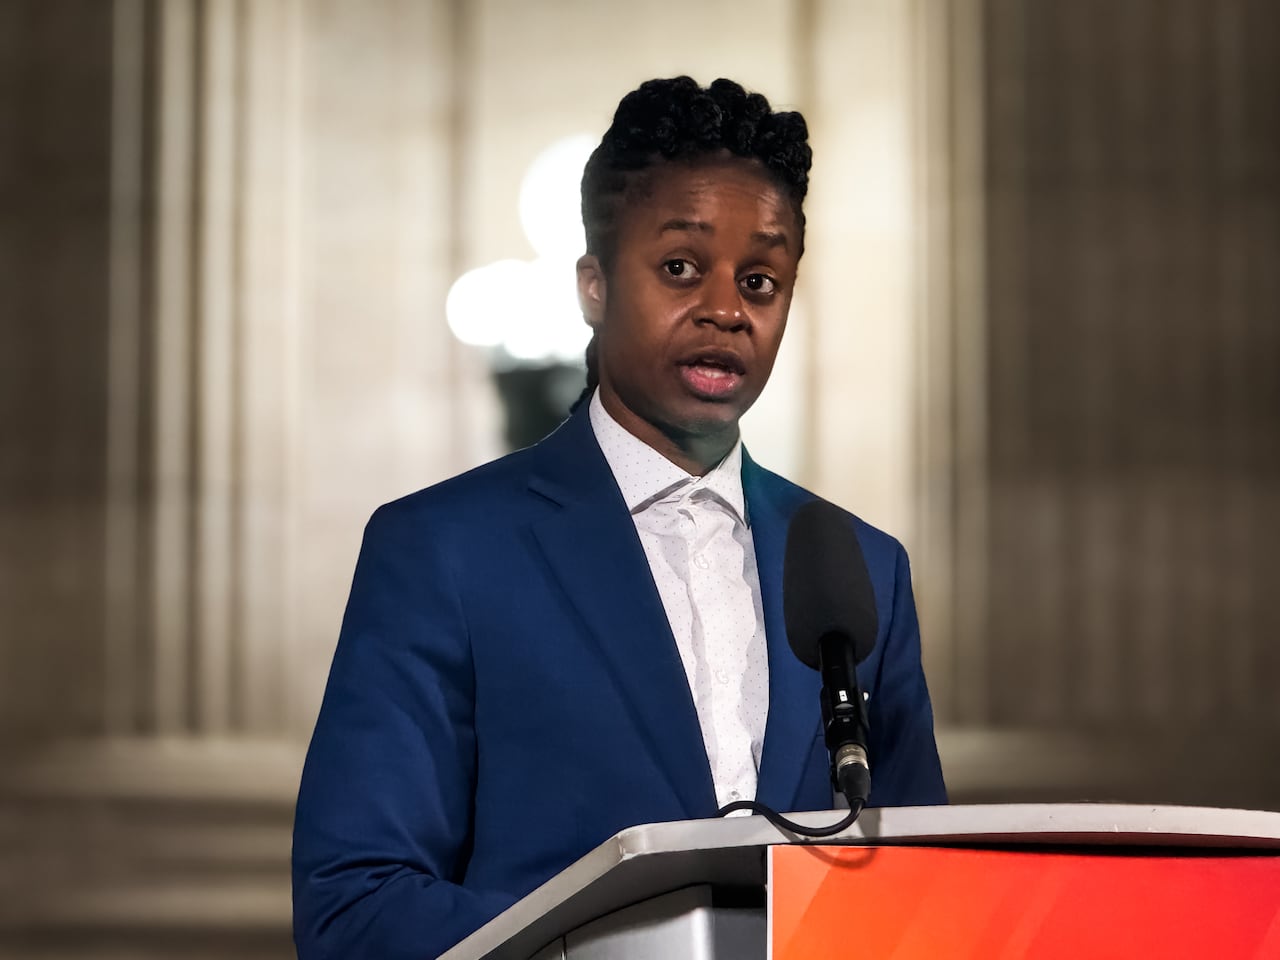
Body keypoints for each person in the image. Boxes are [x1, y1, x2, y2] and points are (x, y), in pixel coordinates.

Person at [292, 76, 946, 960]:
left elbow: (932, 897)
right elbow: (356, 908)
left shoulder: (862, 567)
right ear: (593, 288)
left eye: (761, 280)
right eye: (680, 268)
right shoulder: (443, 550)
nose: (726, 310)